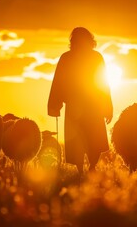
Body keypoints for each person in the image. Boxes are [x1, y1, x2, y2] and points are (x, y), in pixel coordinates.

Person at [48, 27, 113, 176]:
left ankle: (89, 168)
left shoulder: (95, 57)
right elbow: (59, 81)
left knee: (93, 139)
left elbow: (103, 82)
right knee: (78, 140)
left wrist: (108, 107)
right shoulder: (68, 58)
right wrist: (54, 105)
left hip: (90, 106)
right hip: (80, 106)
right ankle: (83, 170)